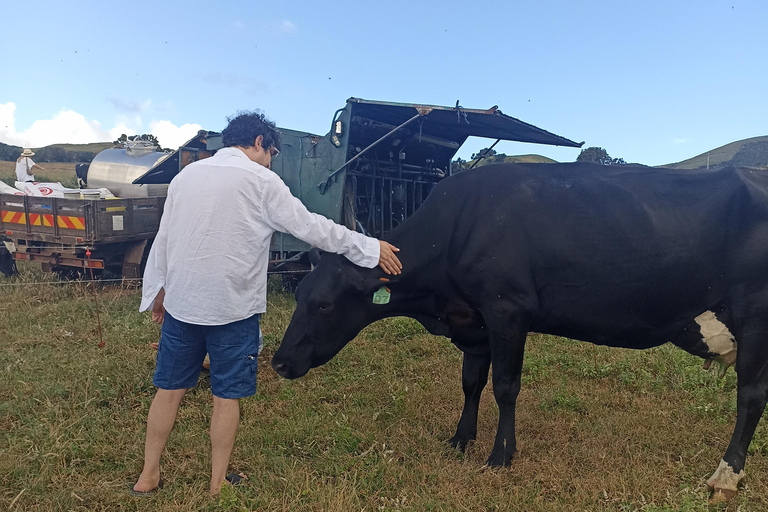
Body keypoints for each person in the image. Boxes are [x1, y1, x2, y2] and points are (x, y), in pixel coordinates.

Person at [131, 110, 402, 497]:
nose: (271, 159)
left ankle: (148, 476)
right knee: (226, 398)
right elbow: (313, 227)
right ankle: (216, 485)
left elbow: (166, 239)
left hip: (182, 305)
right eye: (271, 151)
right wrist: (369, 247)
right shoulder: (261, 181)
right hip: (233, 309)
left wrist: (158, 291)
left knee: (169, 390)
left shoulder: (185, 177)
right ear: (258, 142)